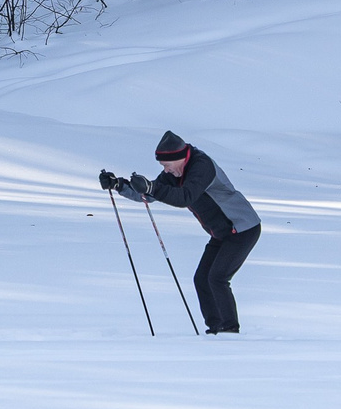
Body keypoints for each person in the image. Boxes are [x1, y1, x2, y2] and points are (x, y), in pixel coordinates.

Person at [101, 131, 261, 335]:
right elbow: (150, 194)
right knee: (202, 279)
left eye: (166, 165)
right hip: (222, 233)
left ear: (180, 158)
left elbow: (184, 197)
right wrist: (119, 185)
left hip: (242, 229)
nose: (165, 170)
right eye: (163, 167)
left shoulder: (202, 166)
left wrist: (152, 188)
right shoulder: (175, 172)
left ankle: (229, 331)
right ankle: (215, 330)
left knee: (217, 278)